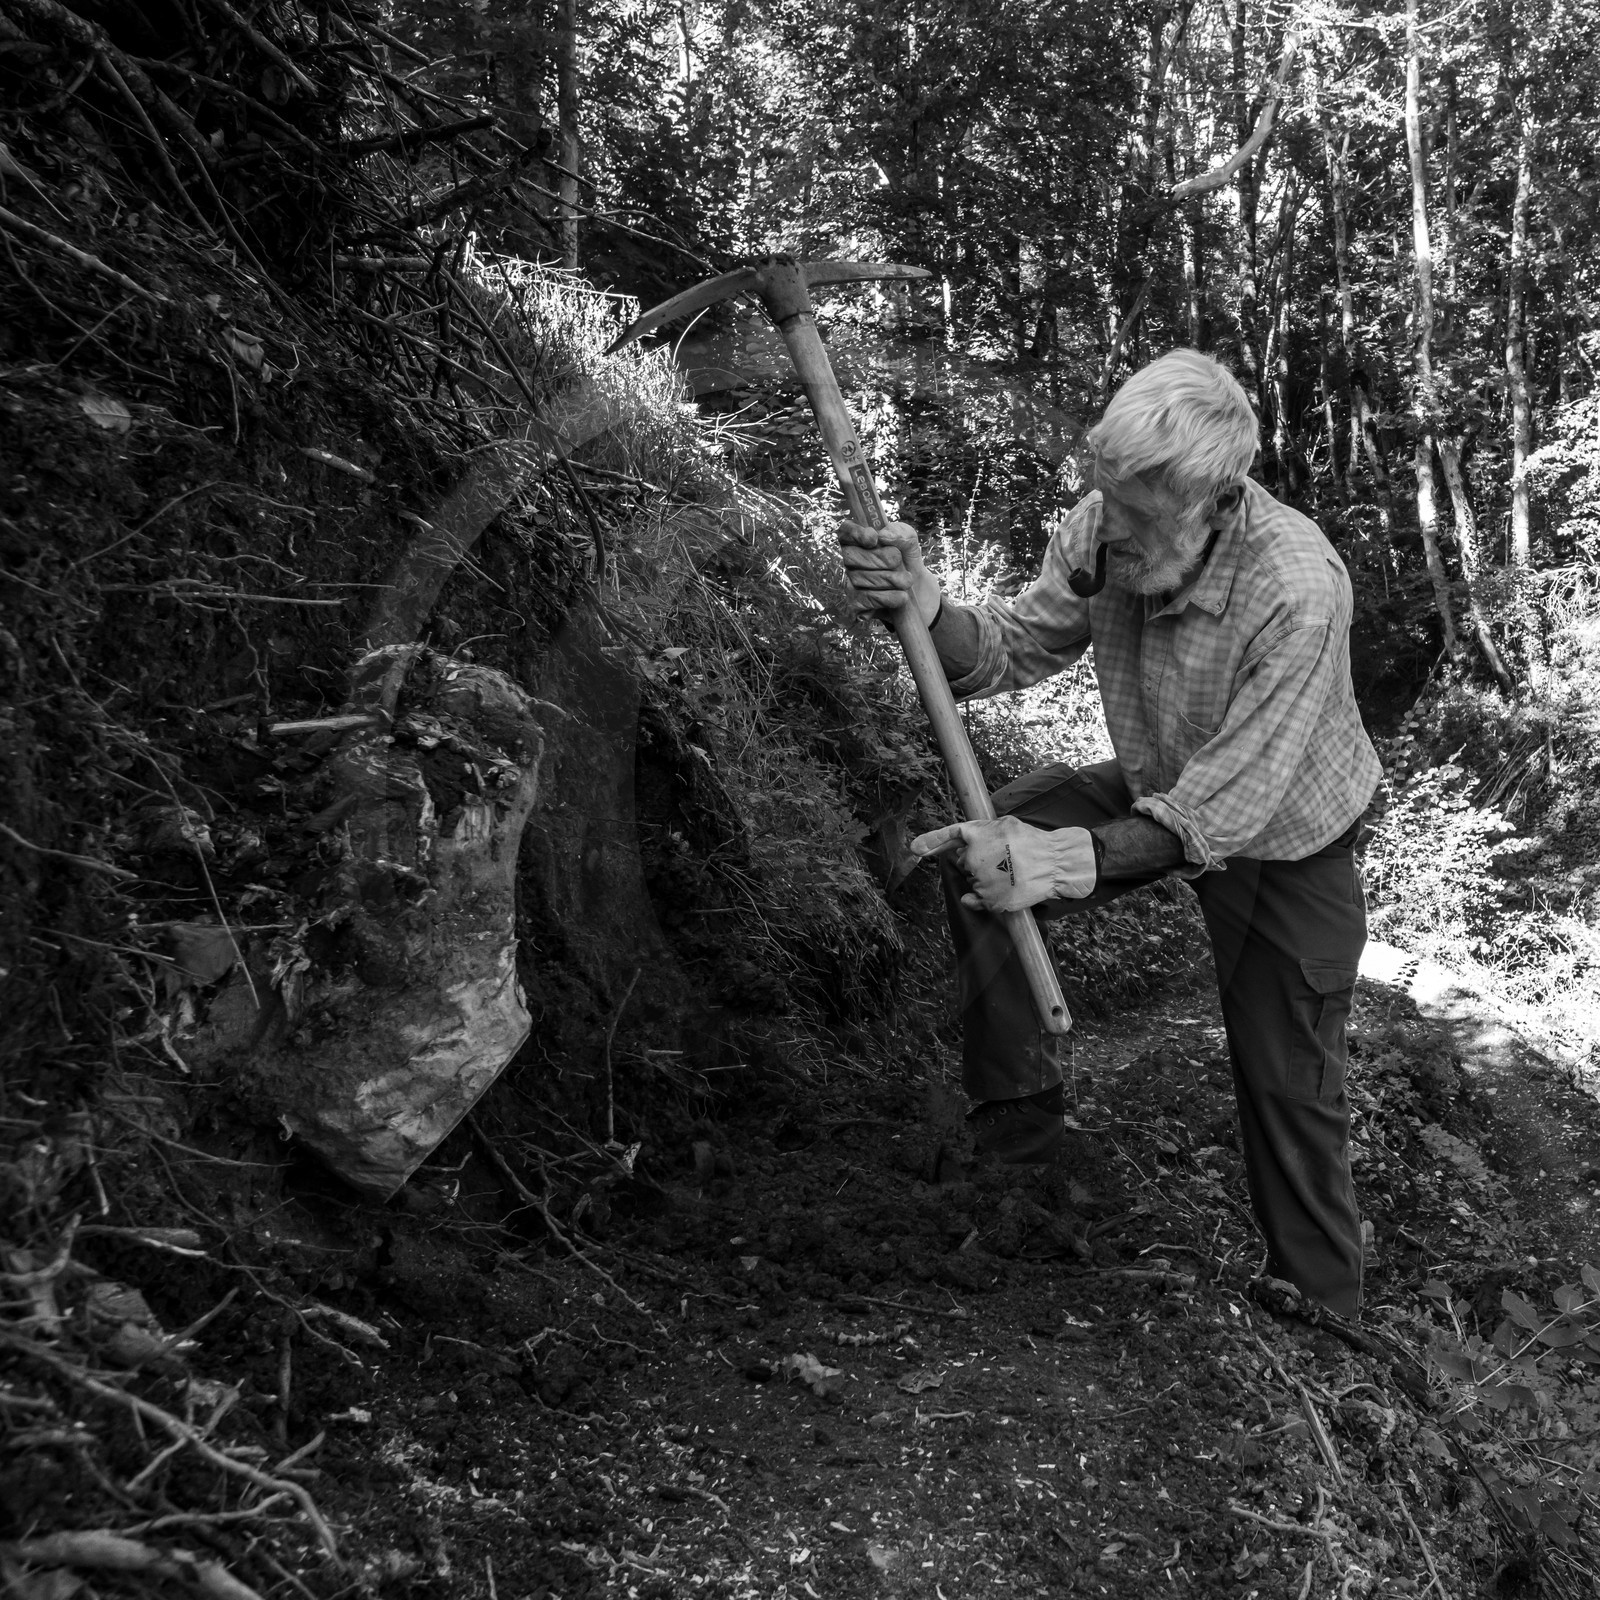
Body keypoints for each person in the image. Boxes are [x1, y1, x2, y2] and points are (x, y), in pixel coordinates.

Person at [838, 349, 1381, 1318]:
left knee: (1291, 1089)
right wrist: (924, 605)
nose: (1105, 529)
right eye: (1104, 498)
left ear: (1216, 500)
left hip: (1281, 838)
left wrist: (1059, 860)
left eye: (1134, 514)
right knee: (981, 853)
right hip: (1153, 780)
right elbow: (1010, 644)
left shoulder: (1297, 589)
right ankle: (1021, 1150)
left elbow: (1218, 814)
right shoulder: (1110, 519)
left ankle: (1327, 1322)